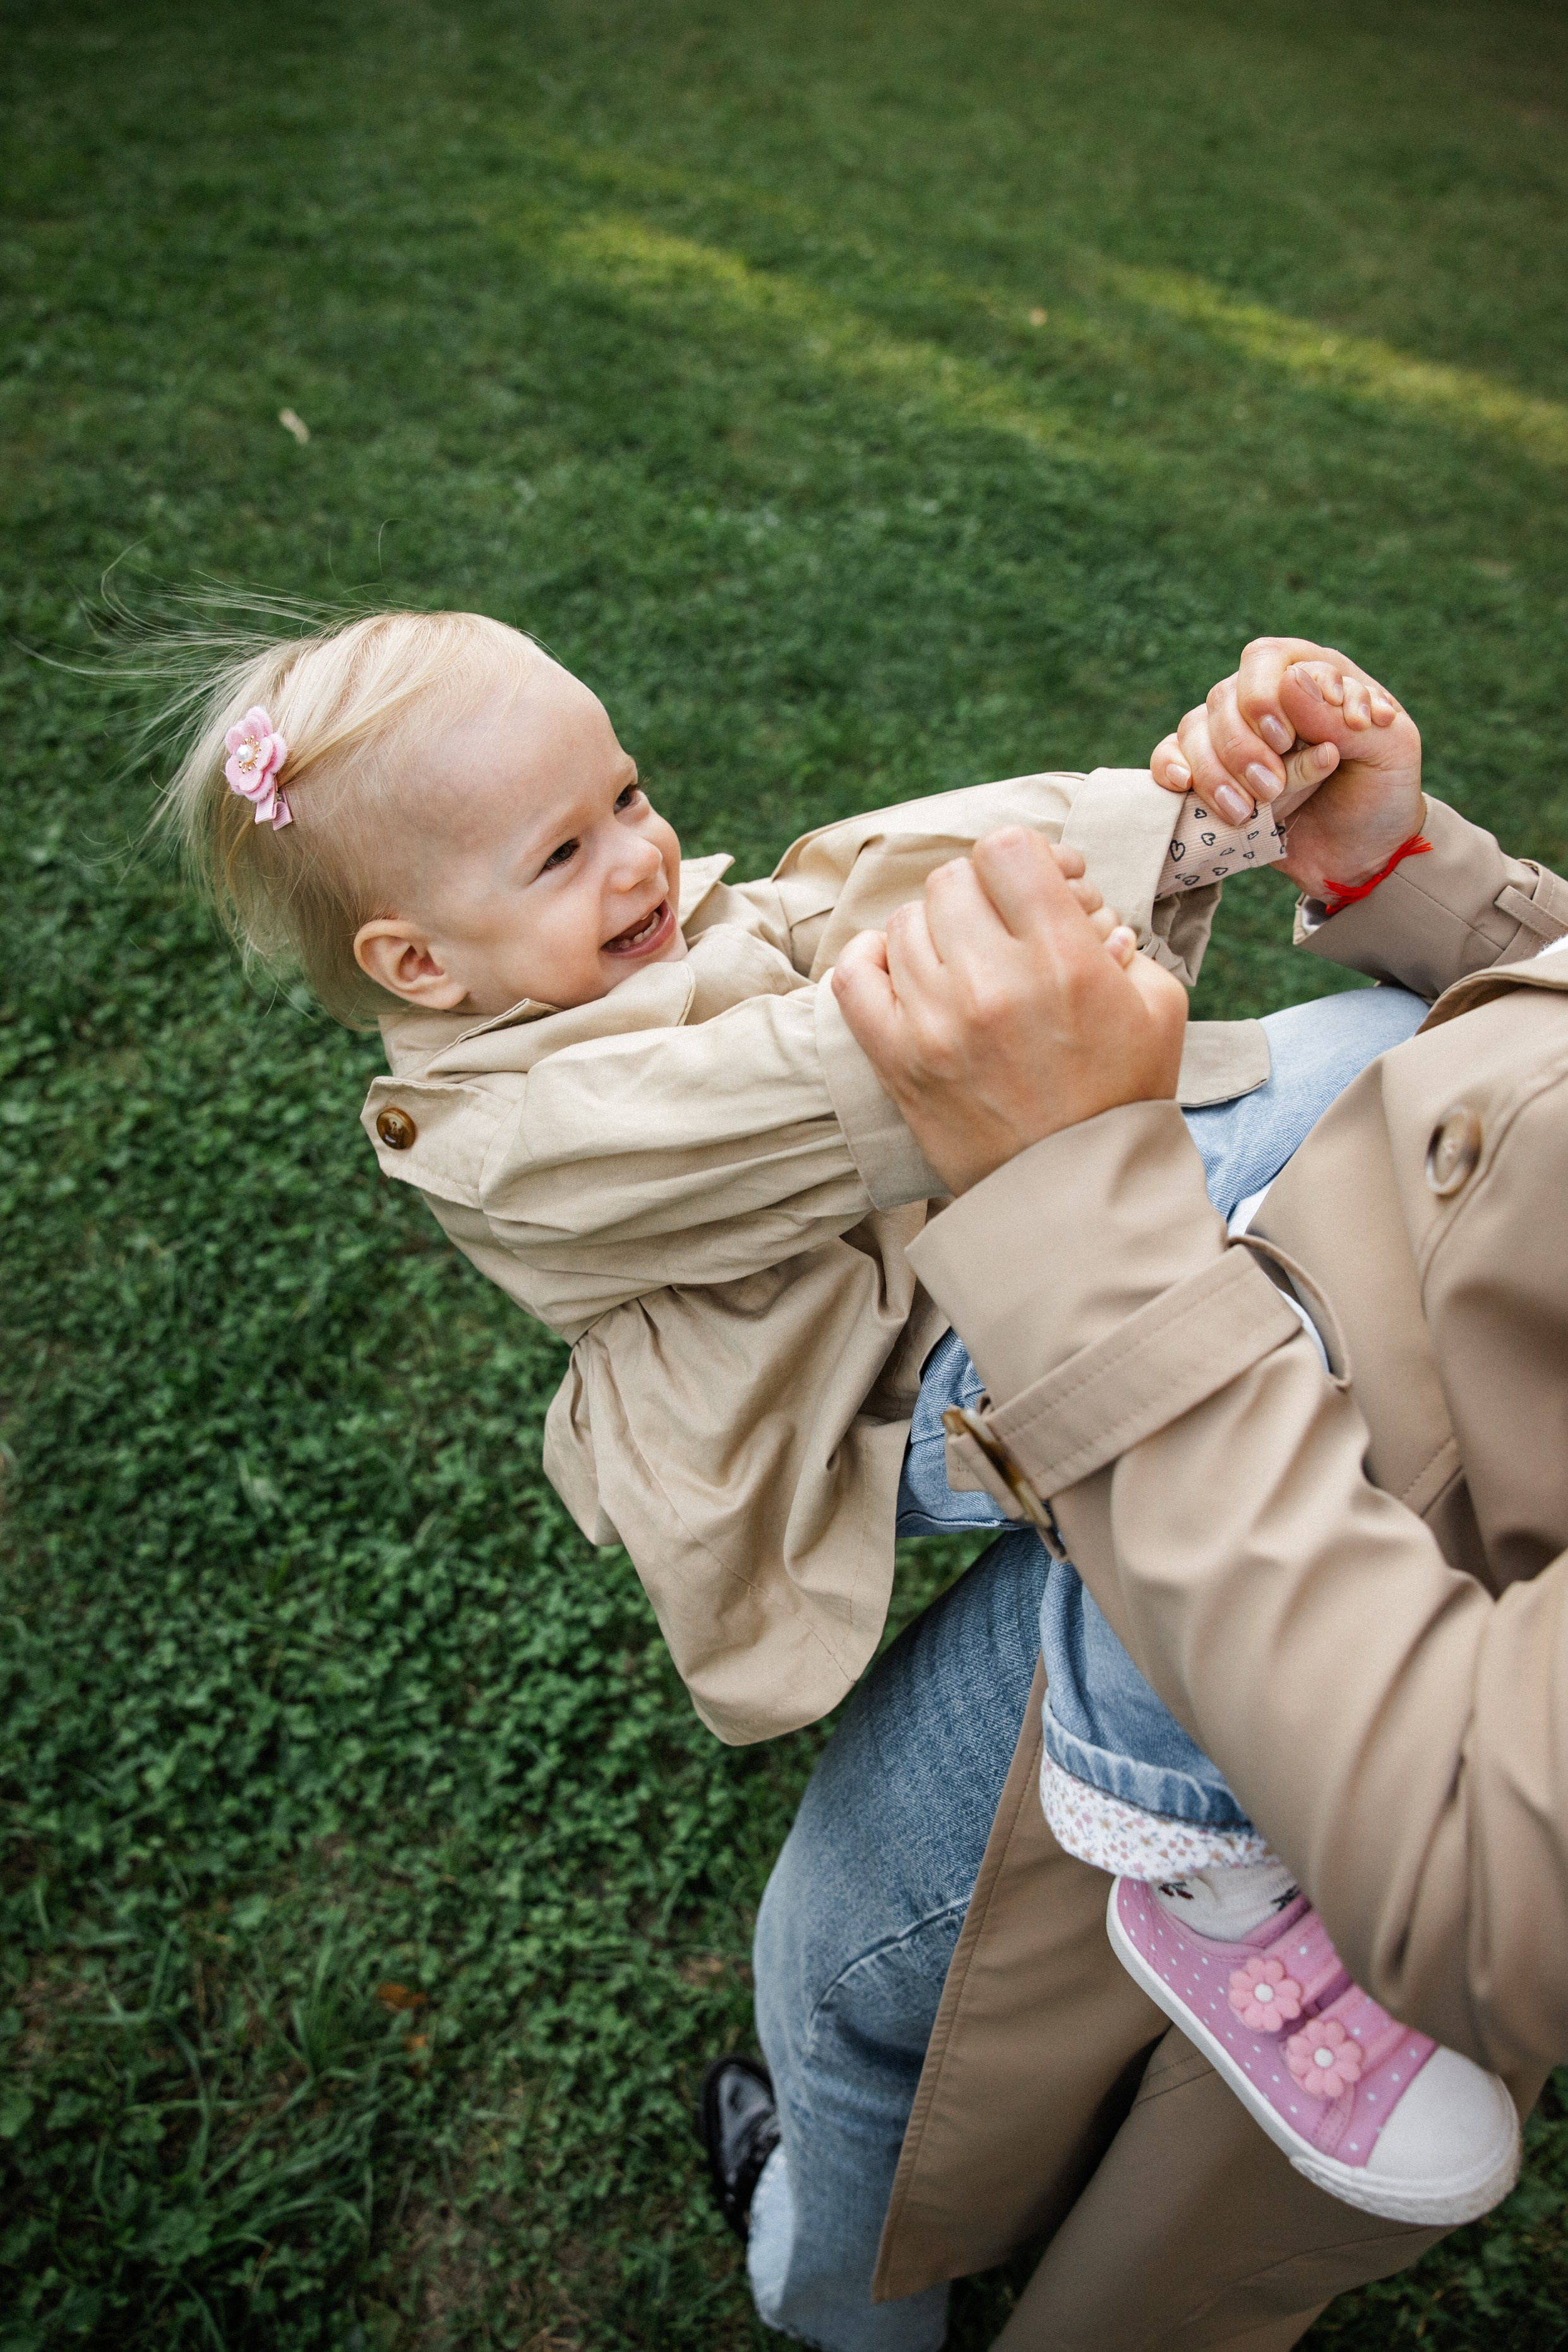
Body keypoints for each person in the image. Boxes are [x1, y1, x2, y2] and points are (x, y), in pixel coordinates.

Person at [705, 638, 1568, 2351]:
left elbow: (1497, 1842)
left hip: (1238, 1526)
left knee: (864, 1982)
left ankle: (840, 2300)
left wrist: (1070, 1202)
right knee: (1102, 2115)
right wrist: (1433, 888)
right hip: (1233, 1449)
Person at [155, 602, 1275, 1756]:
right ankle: (1177, 1779)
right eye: (561, 853)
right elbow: (756, 1087)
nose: (640, 854)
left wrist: (1145, 828)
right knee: (1188, 1400)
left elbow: (845, 891)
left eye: (627, 796)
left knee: (1260, 1298)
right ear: (422, 963)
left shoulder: (612, 939)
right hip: (832, 1411)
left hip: (905, 1287)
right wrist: (986, 998)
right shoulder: (509, 1146)